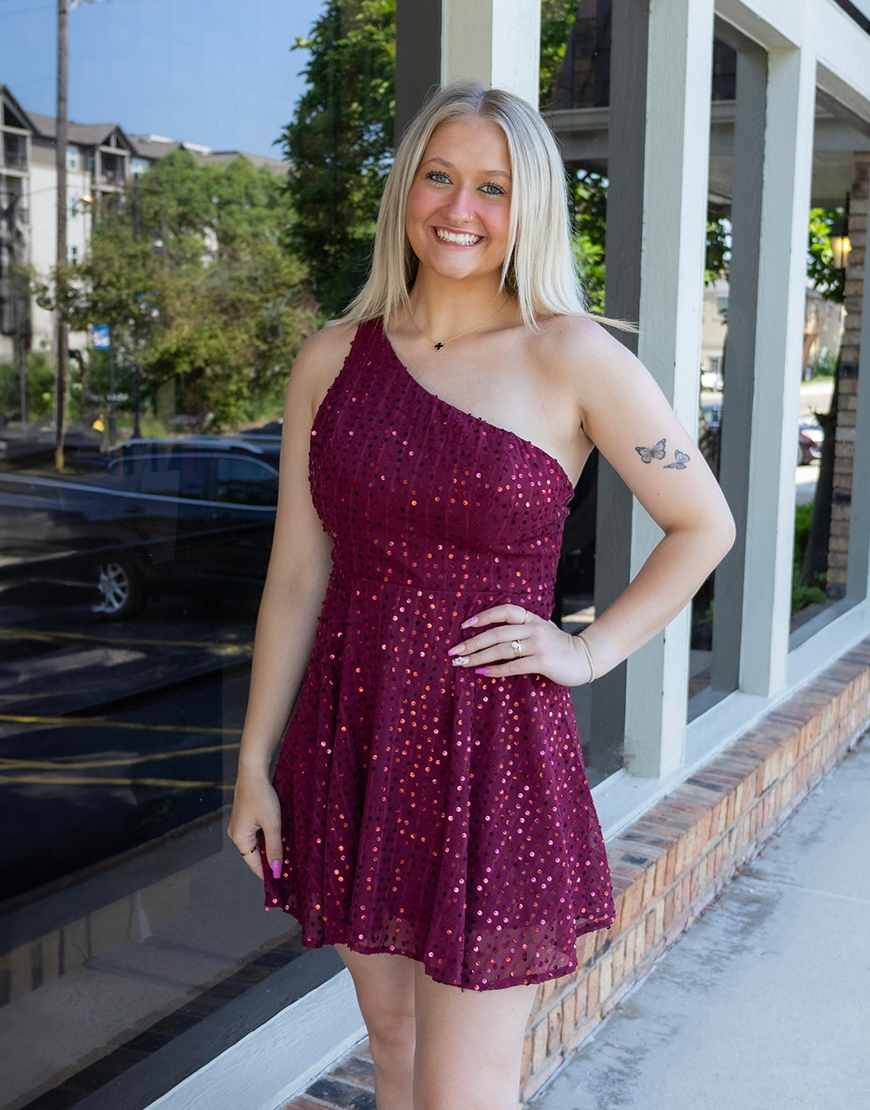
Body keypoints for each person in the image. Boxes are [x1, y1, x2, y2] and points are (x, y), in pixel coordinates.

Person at [228, 79, 736, 1110]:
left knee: (465, 1091)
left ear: (530, 205)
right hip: (354, 734)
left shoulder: (573, 355)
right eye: (440, 177)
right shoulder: (332, 358)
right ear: (406, 190)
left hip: (492, 752)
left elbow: (705, 524)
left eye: (493, 187)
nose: (460, 209)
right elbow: (296, 572)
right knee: (393, 1036)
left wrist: (586, 652)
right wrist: (251, 765)